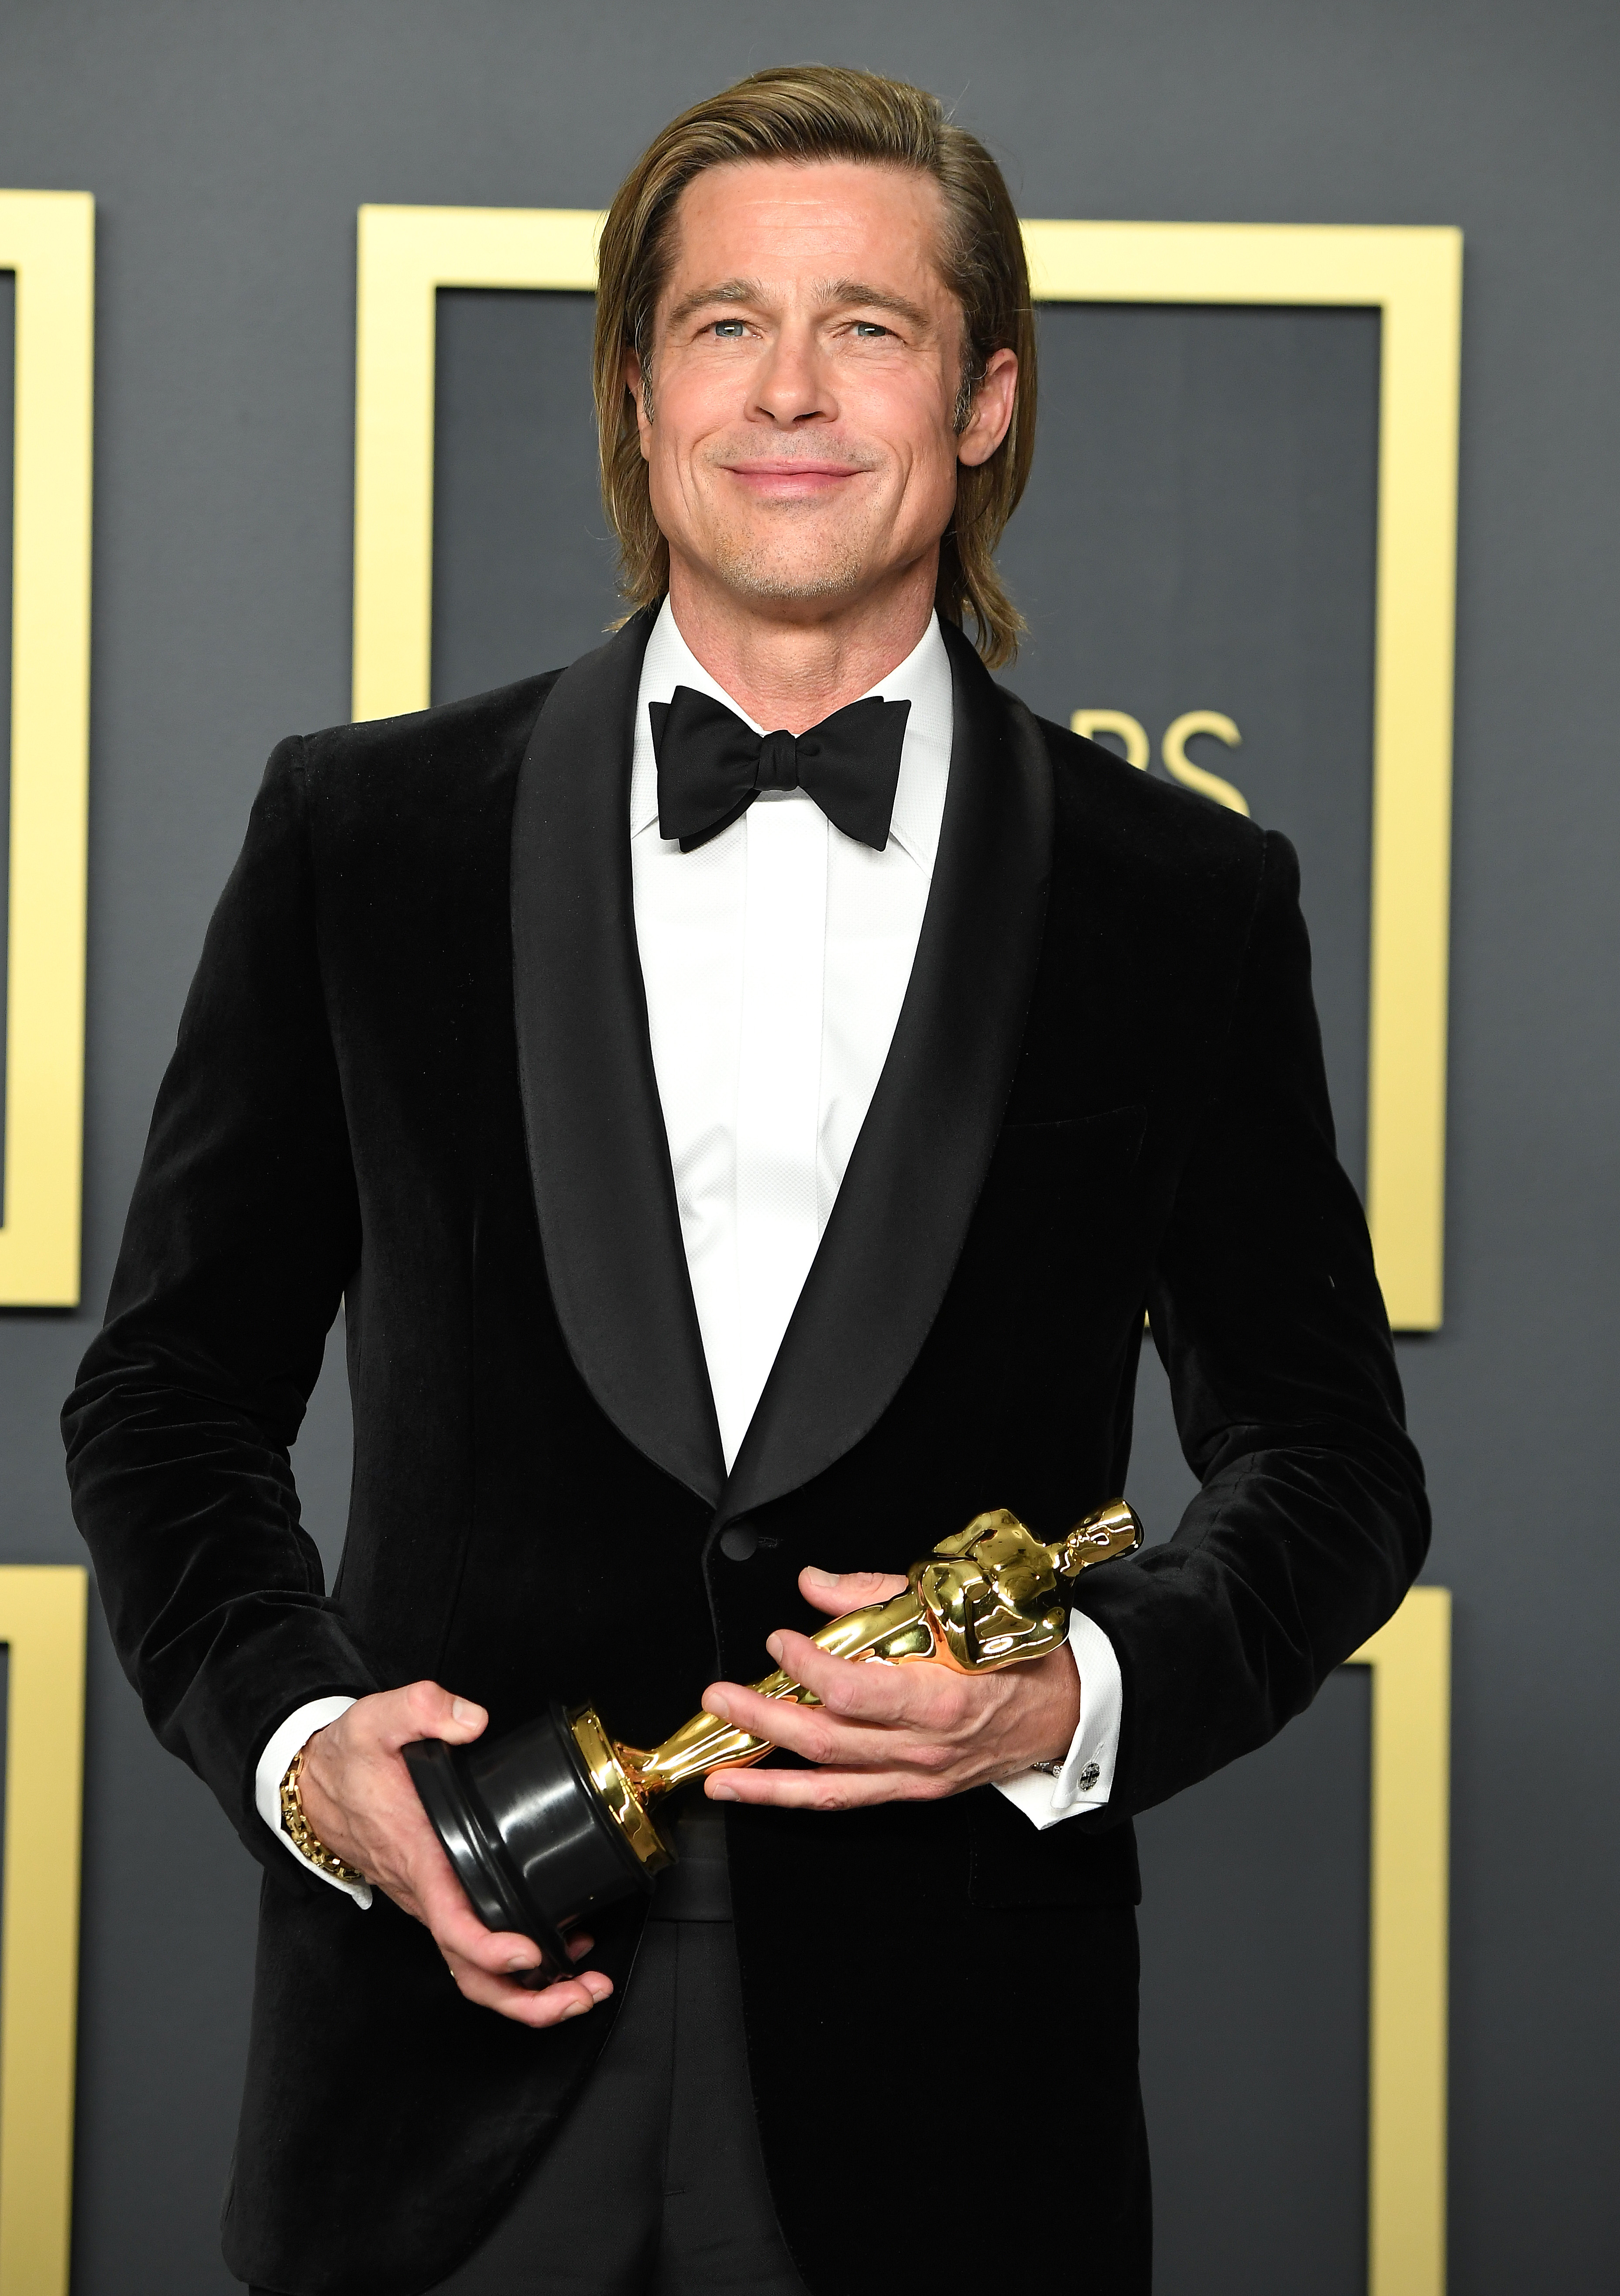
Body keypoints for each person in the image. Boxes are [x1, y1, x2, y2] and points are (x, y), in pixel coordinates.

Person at [63, 62, 1428, 2296]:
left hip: (960, 2108)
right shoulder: (358, 837)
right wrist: (307, 1752)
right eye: (724, 326)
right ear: (634, 386)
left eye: (869, 329)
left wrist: (1064, 1696)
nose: (792, 391)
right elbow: (168, 1396)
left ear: (983, 398)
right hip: (432, 2082)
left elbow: (1330, 1463)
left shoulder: (1184, 898)